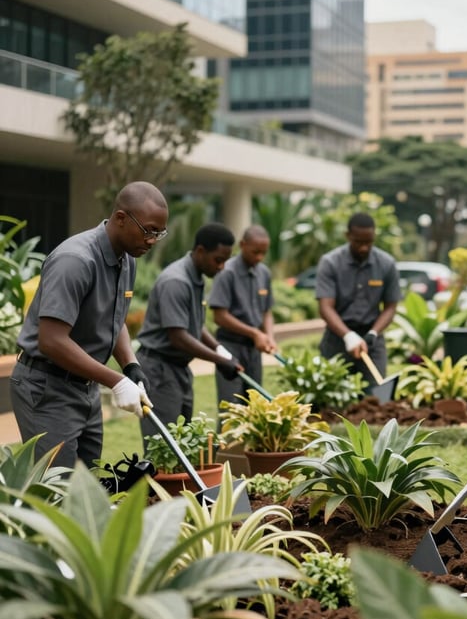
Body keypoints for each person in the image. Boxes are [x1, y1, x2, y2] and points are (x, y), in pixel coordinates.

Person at [10, 182, 169, 467]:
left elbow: (114, 318)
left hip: (86, 386)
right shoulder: (75, 261)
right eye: (148, 231)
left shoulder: (126, 259)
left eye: (159, 233)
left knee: (87, 479)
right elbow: (52, 340)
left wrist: (130, 366)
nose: (152, 241)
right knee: (56, 485)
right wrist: (116, 381)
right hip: (47, 387)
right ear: (121, 218)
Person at [135, 222, 242, 444]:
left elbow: (194, 324)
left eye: (226, 261)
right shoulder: (176, 281)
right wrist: (220, 361)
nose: (222, 267)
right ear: (201, 251)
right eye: (218, 260)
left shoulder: (196, 277)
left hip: (178, 369)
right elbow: (178, 337)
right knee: (163, 446)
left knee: (183, 442)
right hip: (159, 370)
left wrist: (220, 350)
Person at [315, 212, 401, 390]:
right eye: (358, 242)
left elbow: (390, 306)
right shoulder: (330, 263)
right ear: (348, 236)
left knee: (376, 394)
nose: (363, 248)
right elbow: (325, 307)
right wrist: (348, 335)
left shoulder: (386, 264)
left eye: (368, 242)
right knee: (332, 396)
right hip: (337, 339)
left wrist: (373, 333)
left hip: (372, 340)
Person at [209, 225, 277, 409]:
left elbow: (267, 311)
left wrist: (269, 336)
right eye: (255, 252)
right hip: (230, 347)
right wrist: (255, 333)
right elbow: (219, 316)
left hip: (253, 350)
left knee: (255, 407)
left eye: (263, 253)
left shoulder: (264, 273)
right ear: (242, 245)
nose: (259, 257)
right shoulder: (226, 272)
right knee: (231, 409)